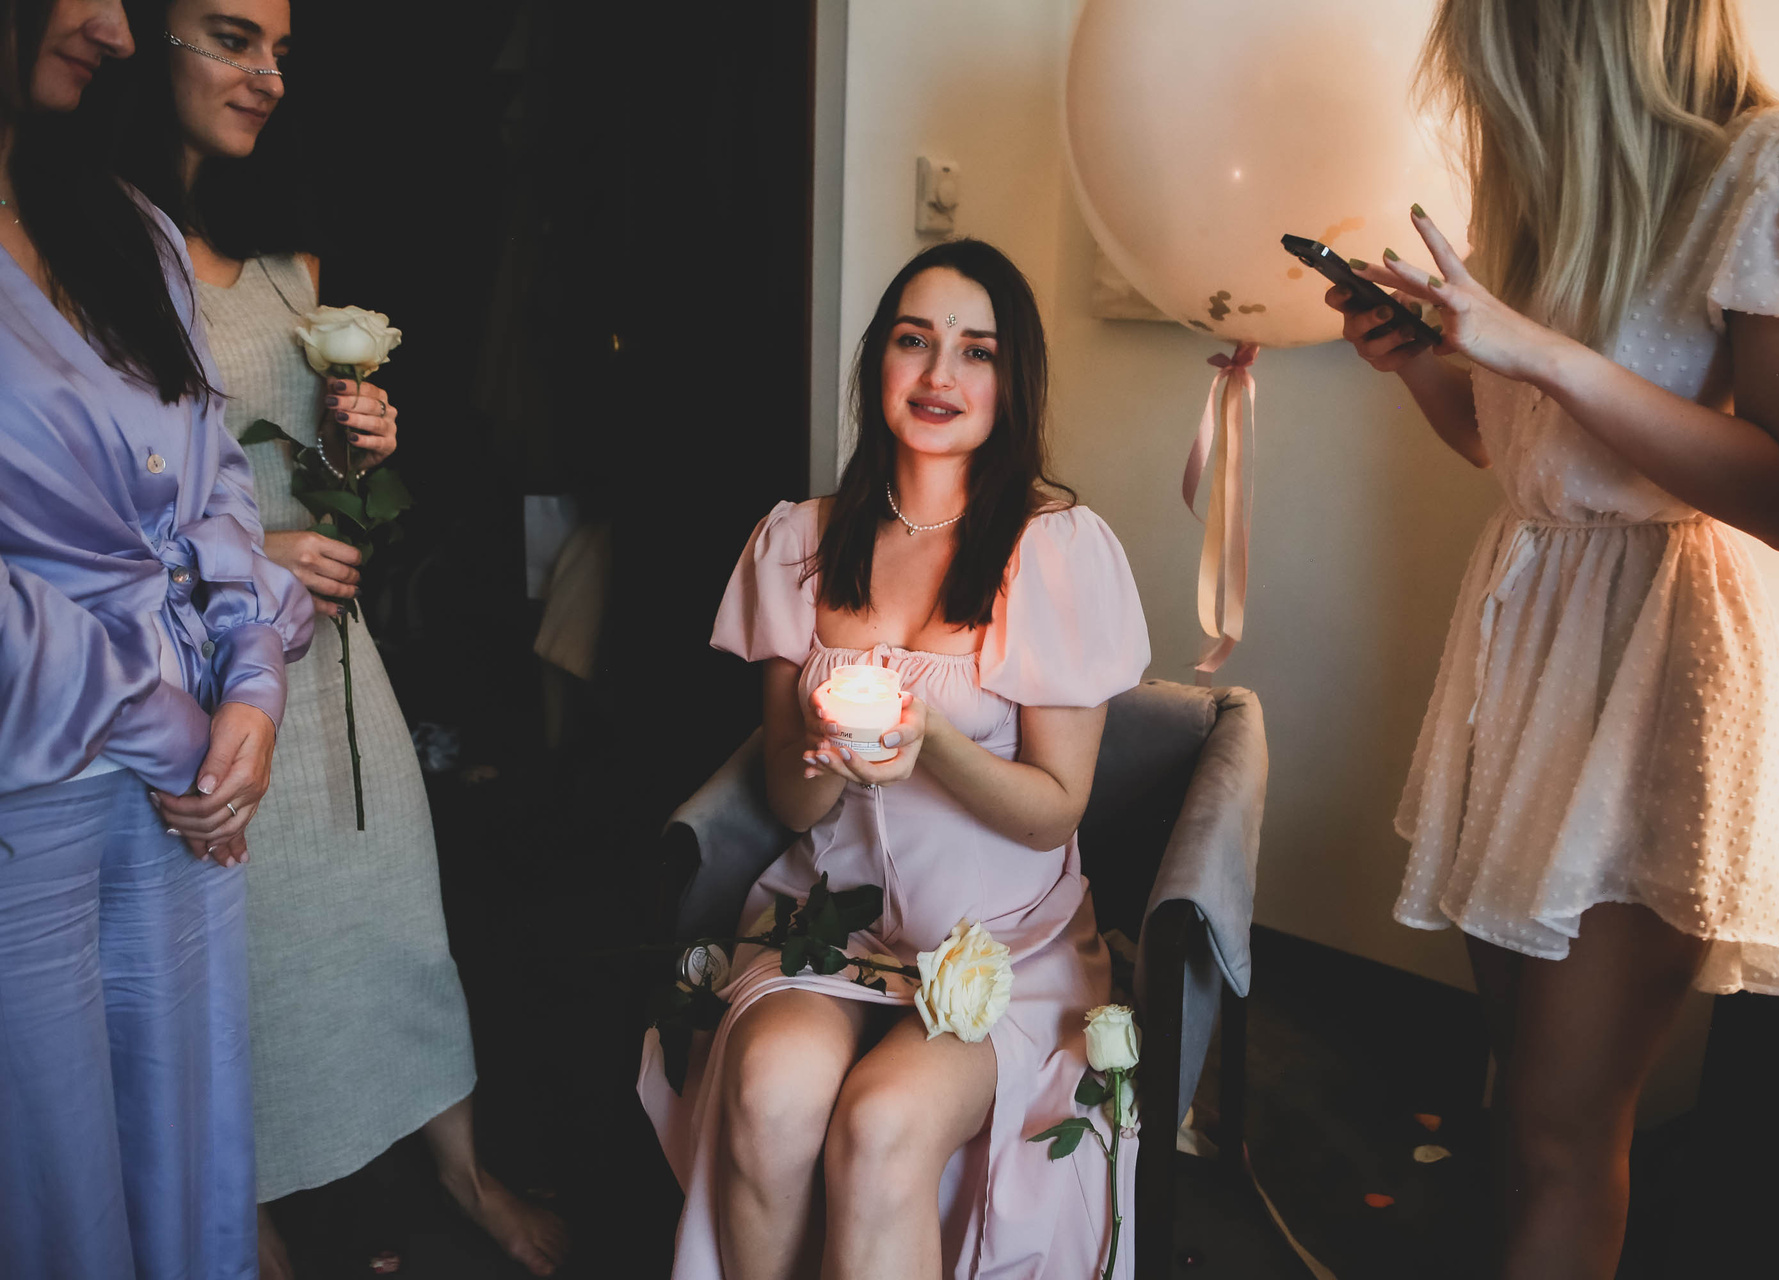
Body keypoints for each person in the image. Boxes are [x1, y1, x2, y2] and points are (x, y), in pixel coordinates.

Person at [1318, 0, 1779, 1274]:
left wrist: (1544, 353)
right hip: (1525, 648)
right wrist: (1421, 365)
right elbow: (1527, 455)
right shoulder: (1559, 190)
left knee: (1563, 1120)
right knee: (1520, 1085)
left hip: (1653, 660)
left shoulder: (1776, 169)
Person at [107, 0, 568, 1274]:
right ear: (146, 38)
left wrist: (362, 453)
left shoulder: (284, 268)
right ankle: (244, 1213)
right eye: (233, 39)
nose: (266, 73)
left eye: (280, 52)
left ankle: (466, 1172)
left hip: (333, 661)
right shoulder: (96, 257)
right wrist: (258, 550)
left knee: (394, 910)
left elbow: (323, 490)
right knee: (241, 947)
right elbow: (90, 506)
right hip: (200, 670)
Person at [638, 238, 1151, 1279]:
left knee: (880, 1125)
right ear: (879, 360)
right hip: (834, 924)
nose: (939, 374)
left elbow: (1057, 808)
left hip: (1001, 944)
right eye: (915, 341)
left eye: (976, 350)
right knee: (768, 1090)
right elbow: (789, 802)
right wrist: (833, 751)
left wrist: (931, 744)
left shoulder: (1054, 548)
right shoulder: (799, 541)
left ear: (1012, 380)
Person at [0, 0, 314, 1273]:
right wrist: (172, 723)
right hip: (34, 792)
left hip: (188, 801)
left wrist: (252, 677)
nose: (115, 31)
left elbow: (213, 476)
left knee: (190, 1153)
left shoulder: (125, 226)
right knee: (58, 1191)